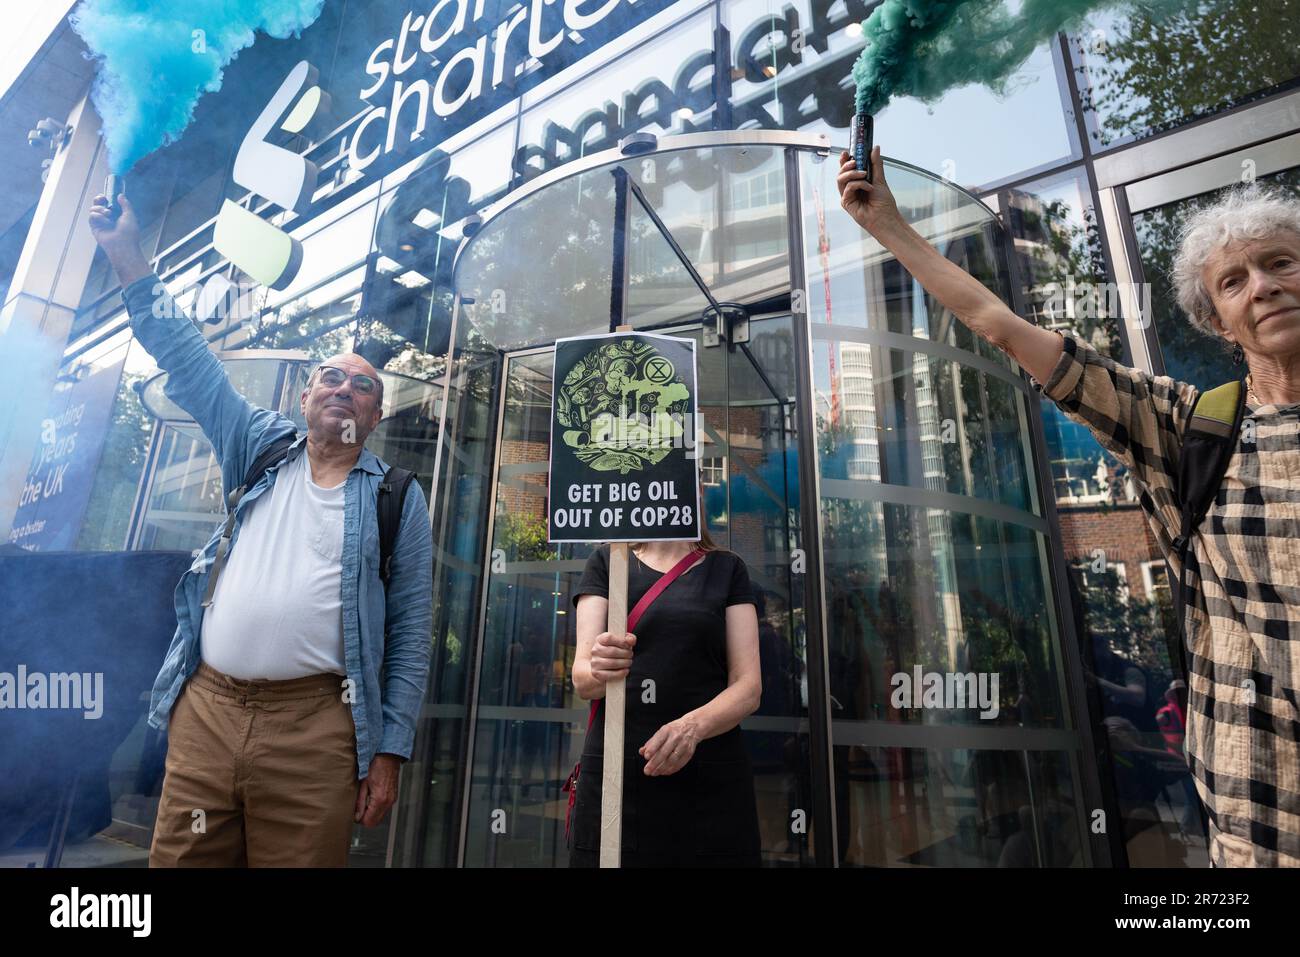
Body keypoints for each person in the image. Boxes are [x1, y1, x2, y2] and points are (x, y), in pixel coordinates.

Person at [838, 146, 1299, 868]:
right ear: (1218, 321)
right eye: (1235, 281)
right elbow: (998, 324)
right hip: (1257, 821)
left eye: (1281, 264)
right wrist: (890, 226)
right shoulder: (1191, 429)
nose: (1264, 287)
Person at [88, 192, 434, 867]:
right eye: (328, 377)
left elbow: (412, 632)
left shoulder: (397, 496)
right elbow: (187, 360)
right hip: (208, 712)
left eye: (361, 385)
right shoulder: (259, 446)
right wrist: (126, 253)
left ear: (376, 415)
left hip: (316, 732)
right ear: (304, 398)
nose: (342, 387)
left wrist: (389, 749)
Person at [569, 529, 762, 866]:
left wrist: (691, 728)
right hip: (618, 774)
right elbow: (583, 680)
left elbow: (748, 687)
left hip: (709, 777)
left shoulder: (727, 568)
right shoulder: (607, 561)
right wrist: (601, 666)